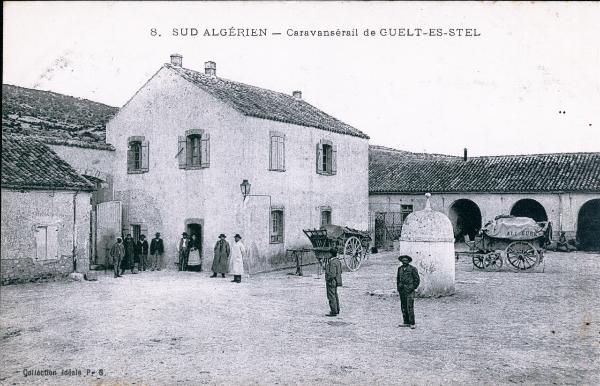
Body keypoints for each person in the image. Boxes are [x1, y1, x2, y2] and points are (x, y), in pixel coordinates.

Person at [397, 255, 420, 329]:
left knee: (410, 306)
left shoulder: (412, 269)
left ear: (409, 261)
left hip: (409, 290)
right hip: (402, 290)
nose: (404, 262)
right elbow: (398, 279)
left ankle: (412, 323)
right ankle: (406, 321)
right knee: (403, 306)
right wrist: (399, 287)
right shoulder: (399, 269)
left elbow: (417, 280)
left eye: (406, 260)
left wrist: (412, 287)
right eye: (403, 260)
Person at [324, 248, 342, 316]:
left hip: (331, 281)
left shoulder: (332, 262)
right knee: (335, 295)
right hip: (336, 281)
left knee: (331, 296)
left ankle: (333, 311)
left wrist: (327, 279)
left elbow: (332, 274)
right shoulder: (338, 261)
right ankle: (337, 309)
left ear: (331, 254)